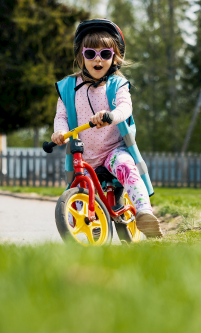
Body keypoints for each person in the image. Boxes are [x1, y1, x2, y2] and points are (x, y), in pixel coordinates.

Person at [51, 18, 163, 238]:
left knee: (127, 167)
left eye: (105, 54)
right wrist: (60, 132)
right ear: (81, 56)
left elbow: (125, 108)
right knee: (78, 197)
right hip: (85, 156)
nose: (98, 59)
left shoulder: (117, 85)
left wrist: (111, 116)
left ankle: (144, 213)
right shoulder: (68, 87)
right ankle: (92, 229)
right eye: (90, 53)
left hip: (113, 150)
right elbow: (61, 116)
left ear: (114, 58)